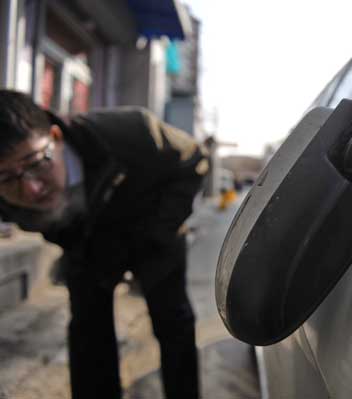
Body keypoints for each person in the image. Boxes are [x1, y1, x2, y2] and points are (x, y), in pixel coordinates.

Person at [0, 90, 207, 399]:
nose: (30, 189)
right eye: (6, 178)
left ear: (55, 137)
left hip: (152, 231)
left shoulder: (132, 132)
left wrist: (160, 229)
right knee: (88, 331)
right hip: (87, 243)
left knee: (173, 321)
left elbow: (194, 159)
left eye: (36, 163)